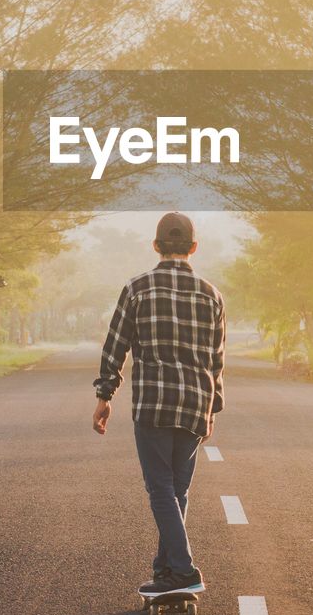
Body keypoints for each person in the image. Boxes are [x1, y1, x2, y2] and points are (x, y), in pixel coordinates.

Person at [92, 211, 226, 595]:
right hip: (194, 405)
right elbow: (216, 359)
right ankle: (165, 570)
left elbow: (115, 346)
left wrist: (105, 395)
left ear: (155, 246)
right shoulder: (211, 294)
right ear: (194, 248)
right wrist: (212, 407)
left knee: (160, 489)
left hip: (153, 403)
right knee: (176, 491)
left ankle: (183, 569)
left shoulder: (137, 289)